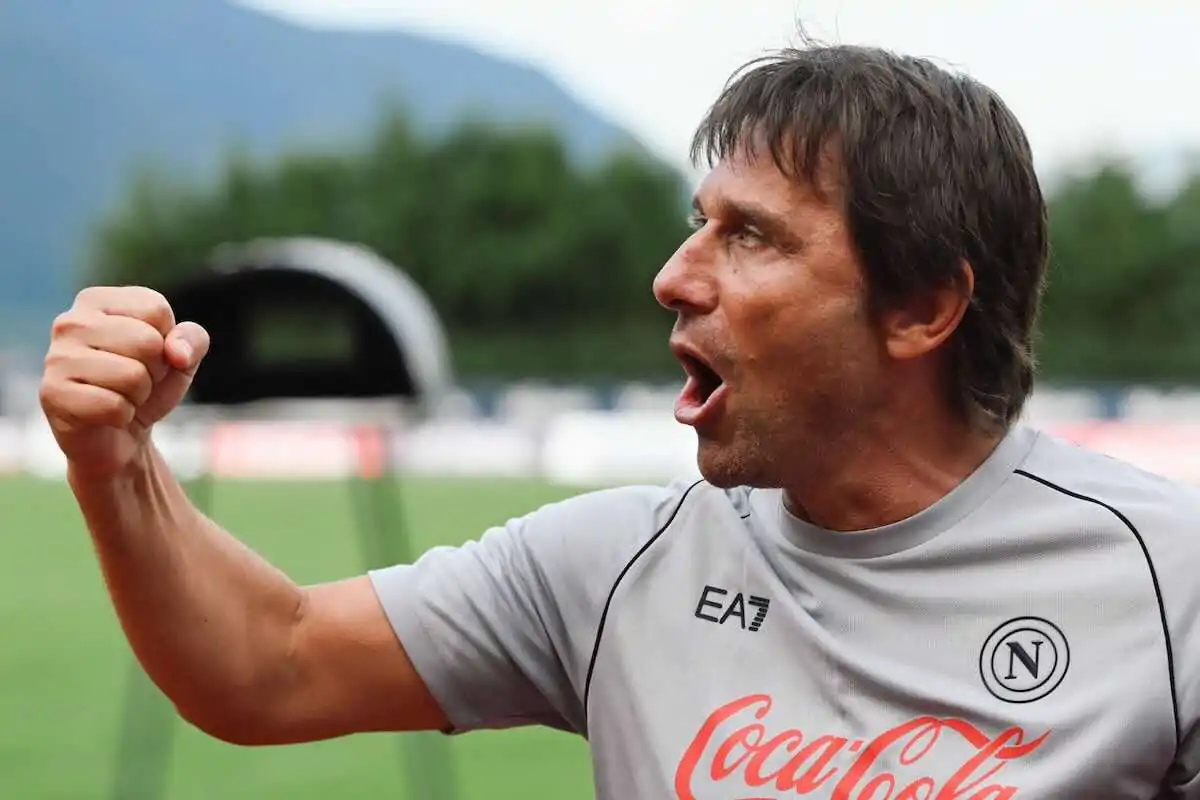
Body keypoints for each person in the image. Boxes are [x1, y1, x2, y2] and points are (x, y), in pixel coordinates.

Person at [38, 37, 1200, 800]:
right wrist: (113, 458)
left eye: (751, 236)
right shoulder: (612, 566)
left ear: (923, 308)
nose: (674, 276)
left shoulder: (1169, 579)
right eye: (700, 223)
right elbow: (267, 662)